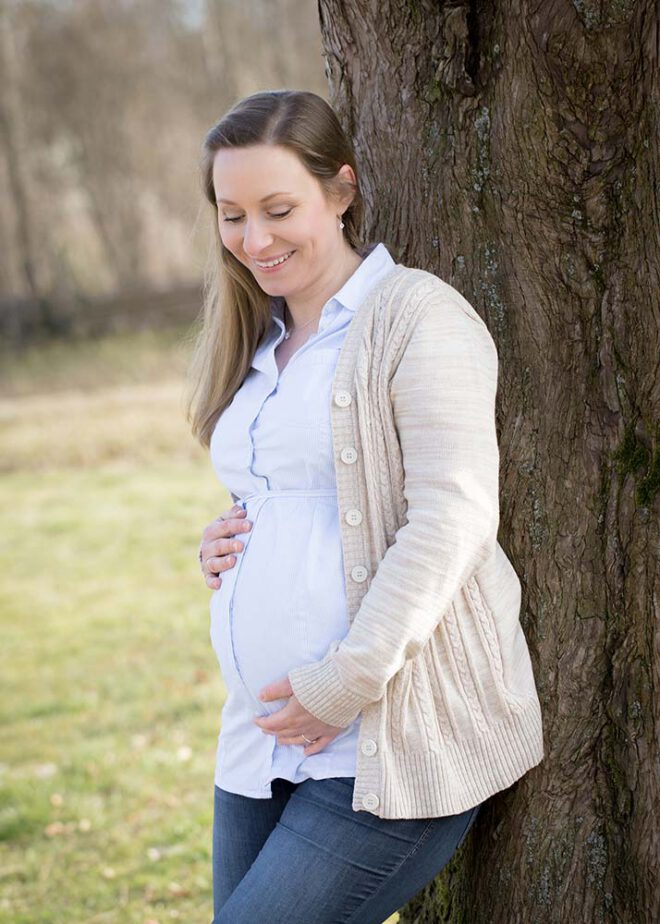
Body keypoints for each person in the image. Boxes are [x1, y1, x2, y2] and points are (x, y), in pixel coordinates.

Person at [186, 89, 545, 924]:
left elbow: (451, 520)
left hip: (383, 743)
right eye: (231, 214)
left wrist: (343, 685)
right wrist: (225, 543)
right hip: (259, 739)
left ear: (341, 192)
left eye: (279, 210)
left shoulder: (418, 318)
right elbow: (285, 495)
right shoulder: (259, 339)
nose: (254, 239)